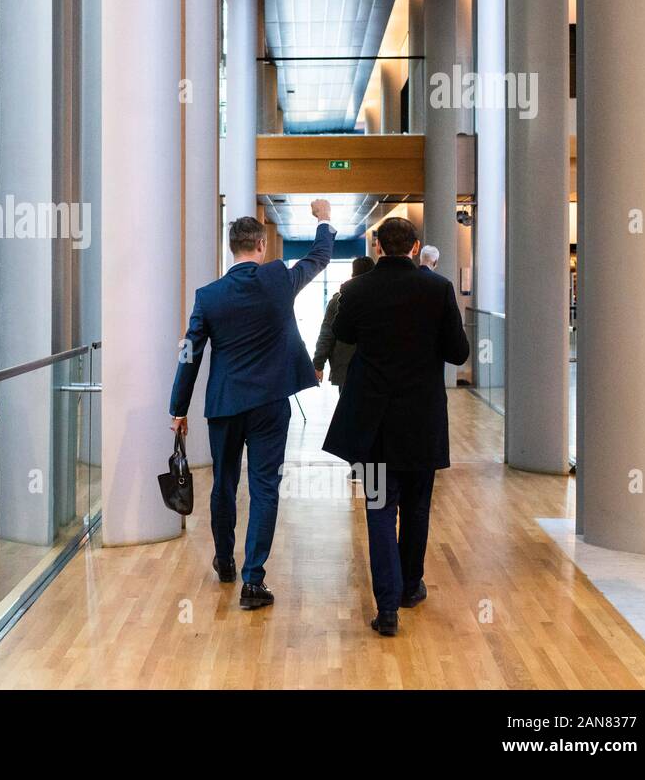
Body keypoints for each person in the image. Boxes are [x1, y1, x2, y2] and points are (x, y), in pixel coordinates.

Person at [169, 200, 336, 610]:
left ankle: (225, 559)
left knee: (224, 484)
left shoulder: (208, 297)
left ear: (232, 248)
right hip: (269, 403)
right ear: (261, 246)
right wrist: (323, 219)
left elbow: (189, 353)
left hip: (224, 404)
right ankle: (253, 579)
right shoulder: (278, 279)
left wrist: (178, 409)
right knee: (264, 487)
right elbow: (318, 258)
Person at [323, 217, 469, 638]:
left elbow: (345, 332)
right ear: (416, 246)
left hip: (373, 423)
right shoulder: (437, 288)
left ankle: (387, 609)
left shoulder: (356, 290)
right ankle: (409, 587)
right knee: (418, 508)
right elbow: (458, 352)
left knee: (380, 512)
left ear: (379, 246)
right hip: (421, 418)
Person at [312, 256, 375, 388]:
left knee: (348, 405)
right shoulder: (382, 300)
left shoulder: (339, 300)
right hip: (376, 369)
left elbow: (327, 334)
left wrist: (318, 364)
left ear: (353, 274)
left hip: (346, 368)